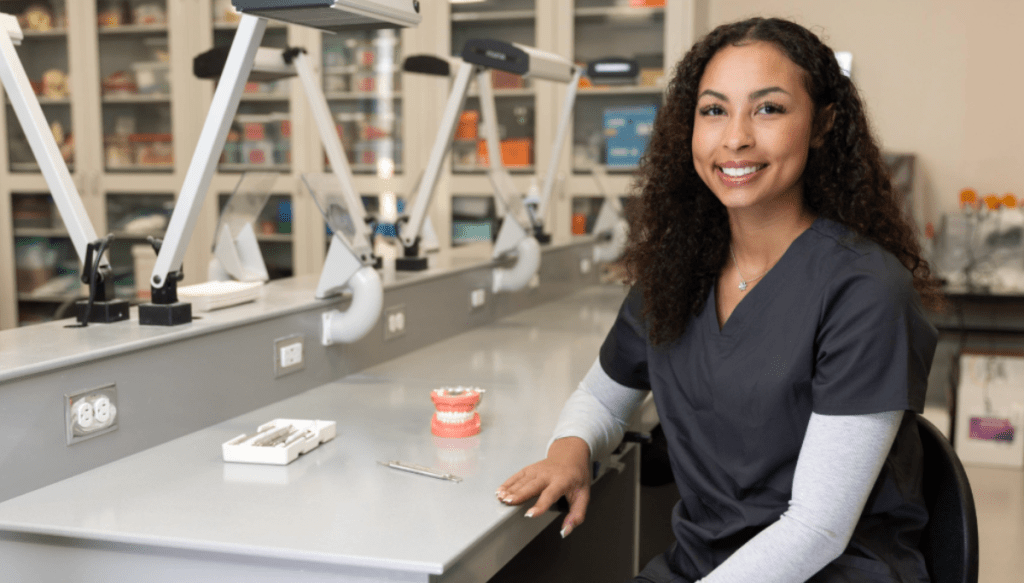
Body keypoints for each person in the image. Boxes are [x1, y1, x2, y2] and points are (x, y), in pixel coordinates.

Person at [496, 17, 945, 583]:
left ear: (823, 124)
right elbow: (603, 396)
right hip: (703, 567)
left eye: (769, 109)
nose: (735, 138)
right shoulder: (678, 271)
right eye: (713, 110)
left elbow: (818, 530)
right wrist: (570, 450)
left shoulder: (865, 292)